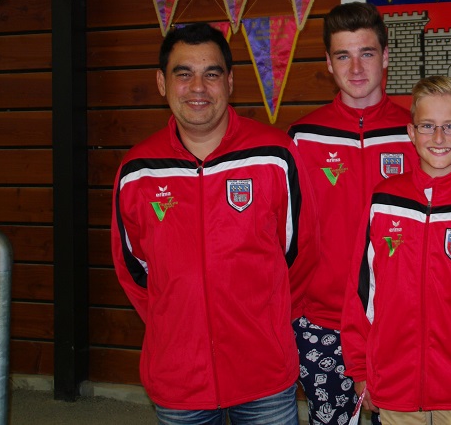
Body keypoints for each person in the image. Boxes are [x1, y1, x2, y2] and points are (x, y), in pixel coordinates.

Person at [111, 22, 311, 425]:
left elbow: (301, 253)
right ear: (162, 84)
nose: (198, 87)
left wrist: (266, 322)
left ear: (230, 82)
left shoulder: (274, 156)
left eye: (212, 74)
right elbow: (133, 270)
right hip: (180, 376)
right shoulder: (138, 171)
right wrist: (178, 325)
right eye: (183, 74)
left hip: (264, 372)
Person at [342, 76, 451, 425]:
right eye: (428, 126)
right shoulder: (384, 201)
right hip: (395, 386)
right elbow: (361, 293)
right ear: (411, 132)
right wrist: (361, 369)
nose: (439, 138)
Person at [287, 1, 416, 425]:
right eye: (343, 55)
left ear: (386, 57)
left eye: (367, 53)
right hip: (323, 318)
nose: (356, 67)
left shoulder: (417, 133)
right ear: (328, 63)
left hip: (396, 321)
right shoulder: (303, 137)